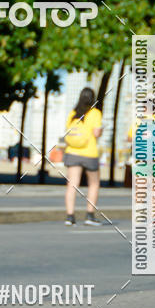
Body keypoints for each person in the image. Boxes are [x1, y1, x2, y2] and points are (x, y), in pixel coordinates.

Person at [63, 87, 103, 226]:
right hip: (89, 153)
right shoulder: (95, 113)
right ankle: (90, 215)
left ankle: (70, 217)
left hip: (72, 152)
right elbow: (97, 133)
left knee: (72, 184)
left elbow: (67, 132)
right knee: (94, 183)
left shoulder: (73, 114)